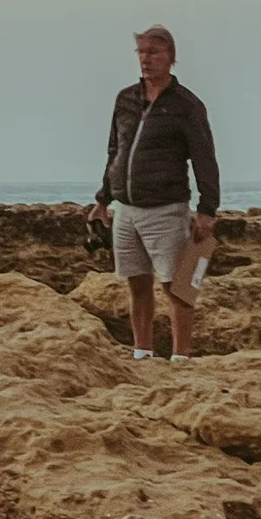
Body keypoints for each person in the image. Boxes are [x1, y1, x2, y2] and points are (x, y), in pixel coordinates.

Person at [86, 24, 220, 362]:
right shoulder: (125, 100)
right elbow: (115, 151)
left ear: (171, 58)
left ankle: (182, 358)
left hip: (166, 209)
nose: (146, 59)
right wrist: (103, 200)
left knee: (178, 288)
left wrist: (207, 210)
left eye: (154, 52)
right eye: (142, 52)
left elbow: (205, 157)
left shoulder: (187, 105)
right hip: (126, 210)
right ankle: (142, 354)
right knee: (136, 283)